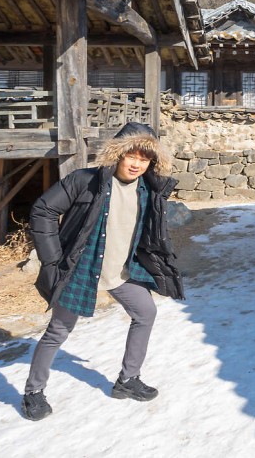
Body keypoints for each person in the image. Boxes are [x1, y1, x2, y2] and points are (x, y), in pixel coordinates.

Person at [22, 122, 184, 421]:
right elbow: (43, 210)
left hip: (120, 269)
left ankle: (127, 380)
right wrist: (52, 260)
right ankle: (33, 392)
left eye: (144, 158)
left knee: (146, 312)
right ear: (117, 154)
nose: (136, 164)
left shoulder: (149, 189)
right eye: (131, 155)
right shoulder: (85, 180)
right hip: (81, 268)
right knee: (59, 330)